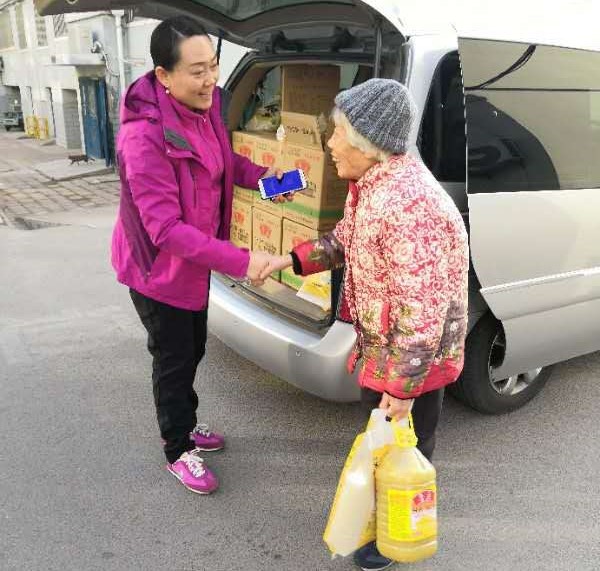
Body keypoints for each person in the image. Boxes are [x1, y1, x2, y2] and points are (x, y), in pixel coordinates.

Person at [262, 79, 469, 570]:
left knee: (405, 448)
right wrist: (288, 260)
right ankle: (376, 516)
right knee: (380, 442)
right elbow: (343, 241)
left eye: (338, 133)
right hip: (386, 350)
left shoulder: (408, 204)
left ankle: (397, 534)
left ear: (367, 143)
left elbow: (421, 310)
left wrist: (401, 389)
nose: (330, 144)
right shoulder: (374, 186)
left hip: (414, 362)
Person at [112, 16, 286, 495]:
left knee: (194, 349)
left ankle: (185, 424)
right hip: (158, 271)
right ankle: (177, 448)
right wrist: (242, 261)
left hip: (196, 262)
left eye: (212, 66)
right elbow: (165, 229)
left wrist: (270, 183)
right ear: (164, 76)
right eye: (196, 70)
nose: (210, 79)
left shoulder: (204, 109)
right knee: (173, 359)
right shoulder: (143, 138)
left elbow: (225, 165)